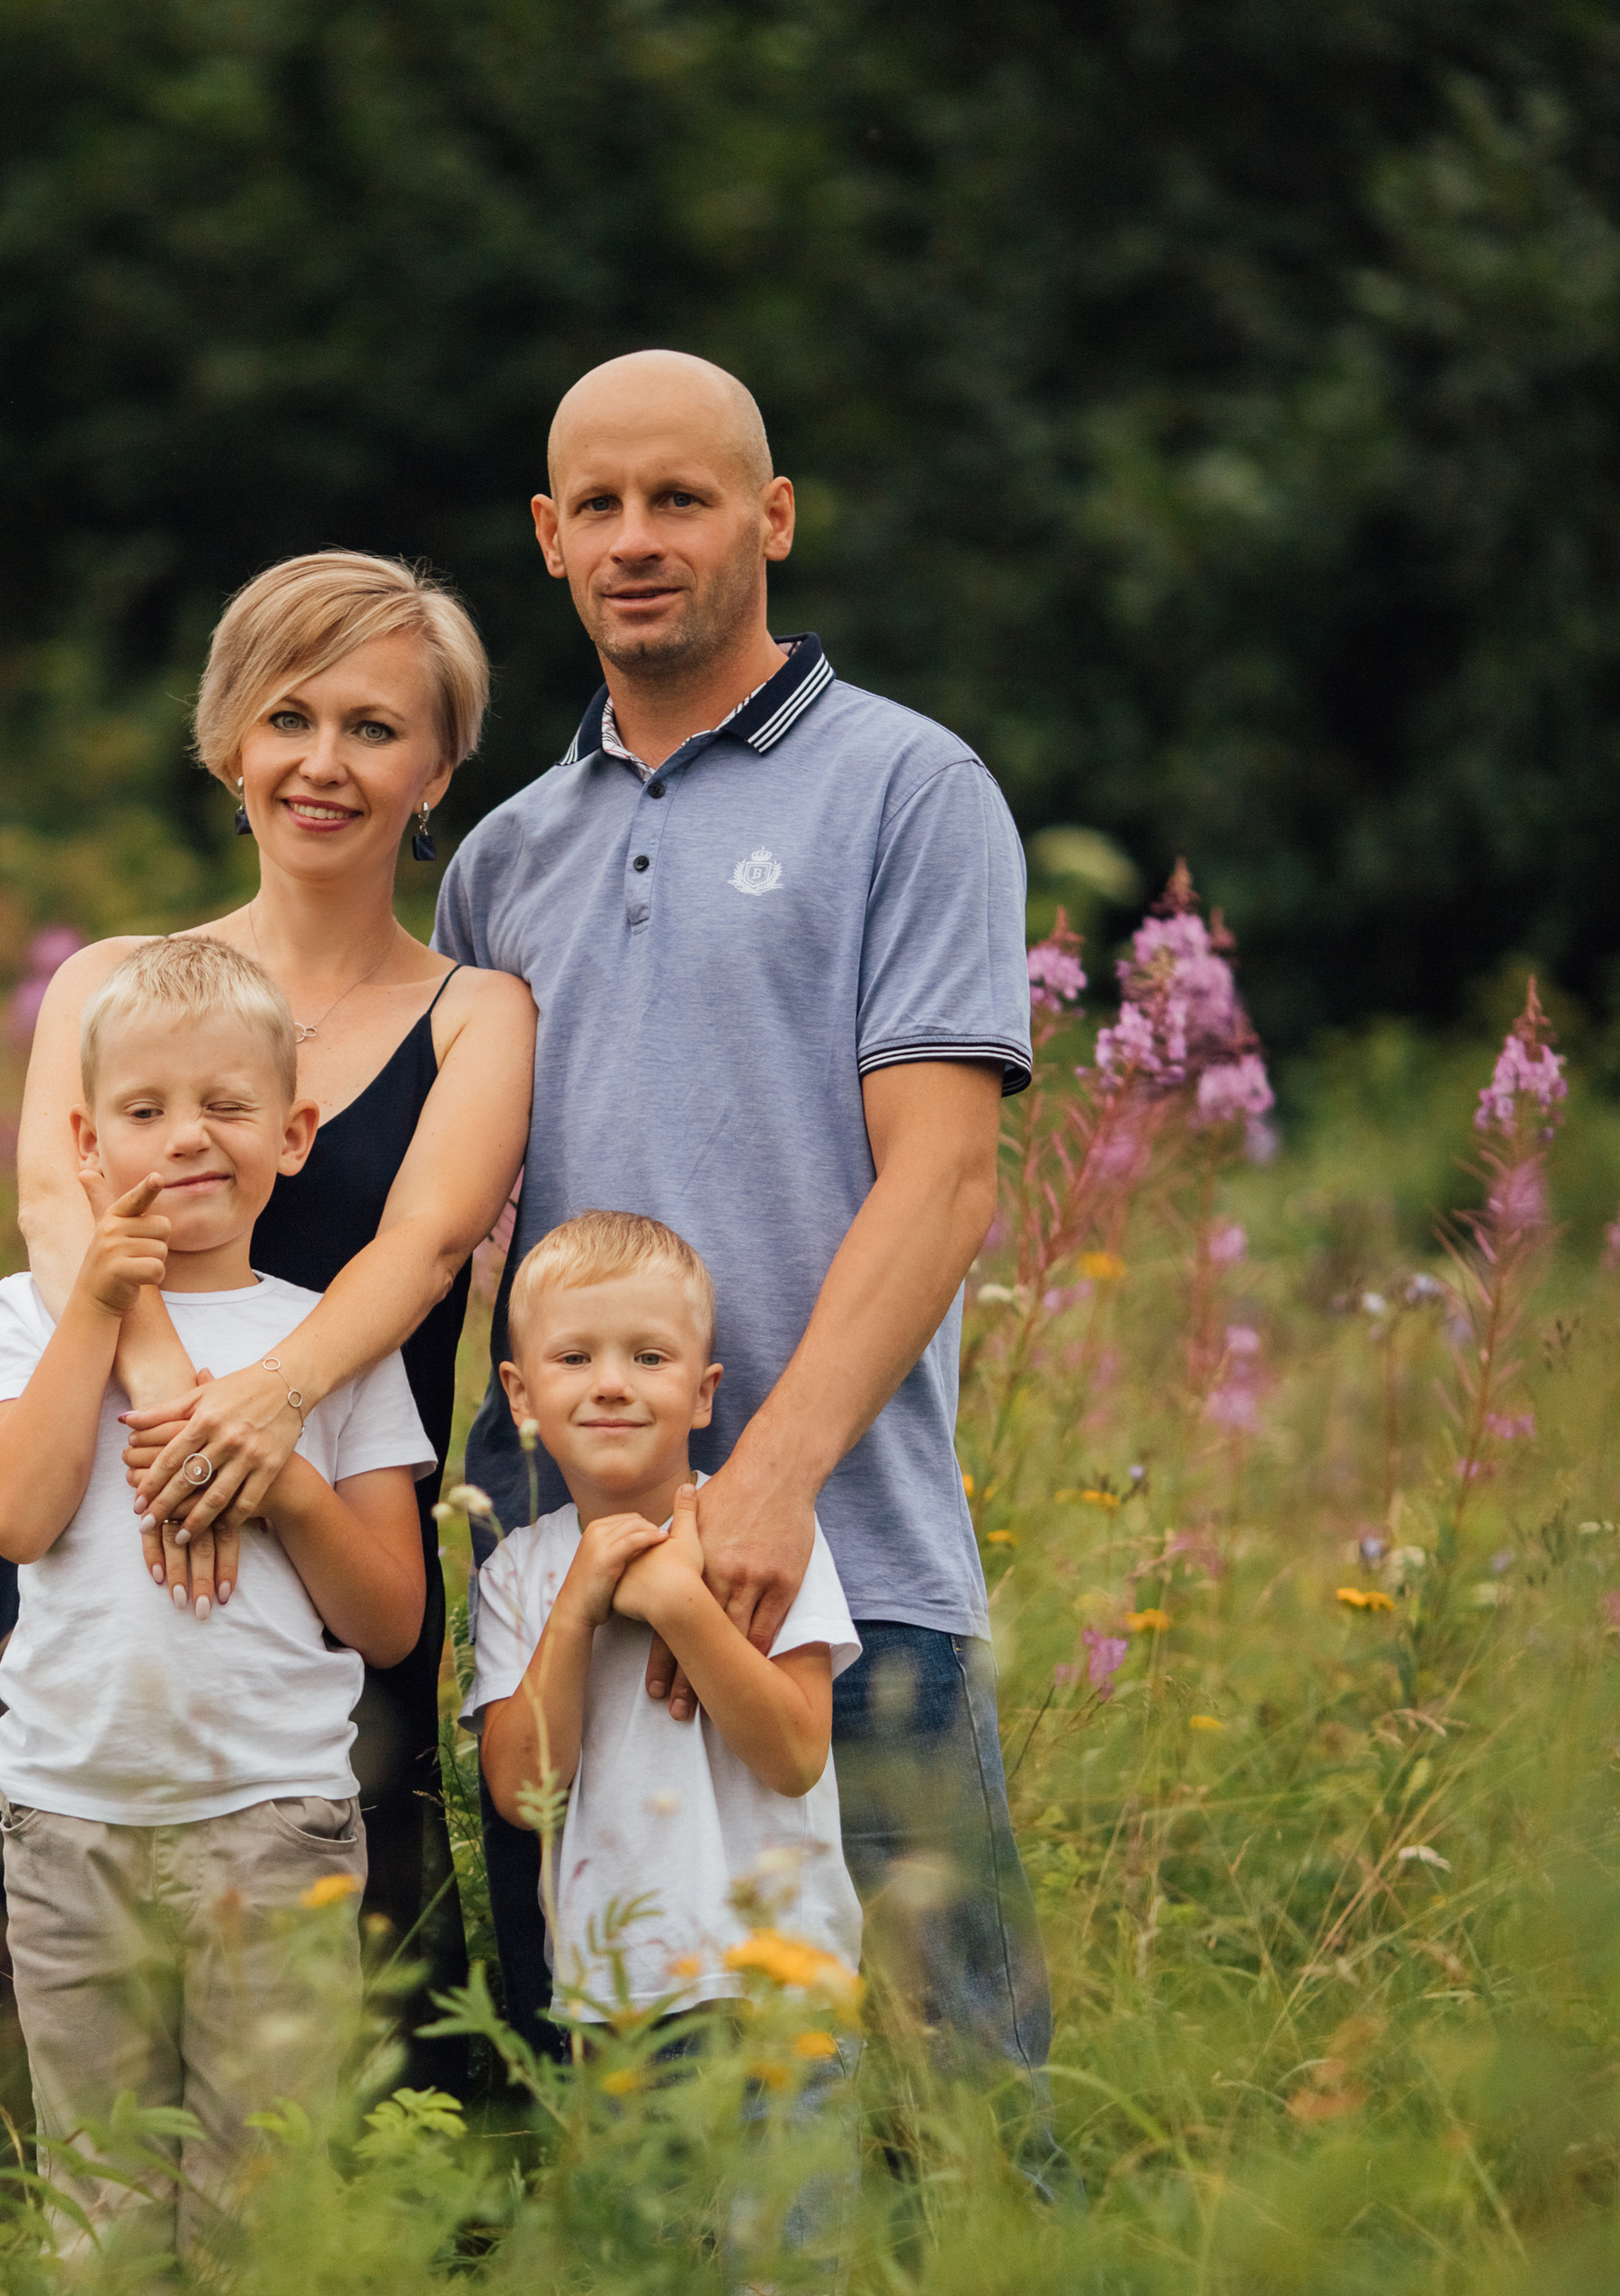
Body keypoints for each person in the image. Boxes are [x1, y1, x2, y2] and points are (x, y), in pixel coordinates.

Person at [434, 351, 1063, 2166]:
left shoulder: (905, 790)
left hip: (838, 1559)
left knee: (961, 2104)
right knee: (636, 2127)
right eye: (601, 507)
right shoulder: (501, 860)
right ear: (548, 540)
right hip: (574, 1587)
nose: (639, 540)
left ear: (768, 518)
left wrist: (766, 1472)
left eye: (682, 498)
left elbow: (939, 1179)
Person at [0, 551, 534, 2097]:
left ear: (440, 768)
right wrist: (177, 1409)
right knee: (45, 2048)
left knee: (337, 2061)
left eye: (375, 728)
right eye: (288, 718)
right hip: (81, 1533)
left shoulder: (480, 1010)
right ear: (229, 746)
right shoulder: (113, 980)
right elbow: (57, 1216)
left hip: (335, 1528)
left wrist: (264, 1417)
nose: (324, 763)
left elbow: (427, 1245)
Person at [0, 934, 434, 2261]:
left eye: (226, 1109)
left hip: (273, 1828)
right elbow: (16, 1514)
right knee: (98, 2217)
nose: (186, 1142)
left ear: (292, 1134)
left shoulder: (329, 1340)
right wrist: (95, 1315)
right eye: (147, 1112)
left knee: (255, 2212)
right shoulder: (25, 1316)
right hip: (74, 1820)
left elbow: (390, 1618)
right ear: (85, 1140)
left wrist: (280, 1482)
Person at [468, 1210, 862, 2261]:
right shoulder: (516, 1576)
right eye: (574, 1356)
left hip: (784, 1989)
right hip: (622, 2001)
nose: (610, 1382)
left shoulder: (763, 1538)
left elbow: (793, 1752)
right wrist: (581, 1606)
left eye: (649, 1356)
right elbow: (521, 1793)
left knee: (782, 2267)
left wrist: (680, 1603)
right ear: (519, 1395)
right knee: (643, 2268)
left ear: (702, 1390)